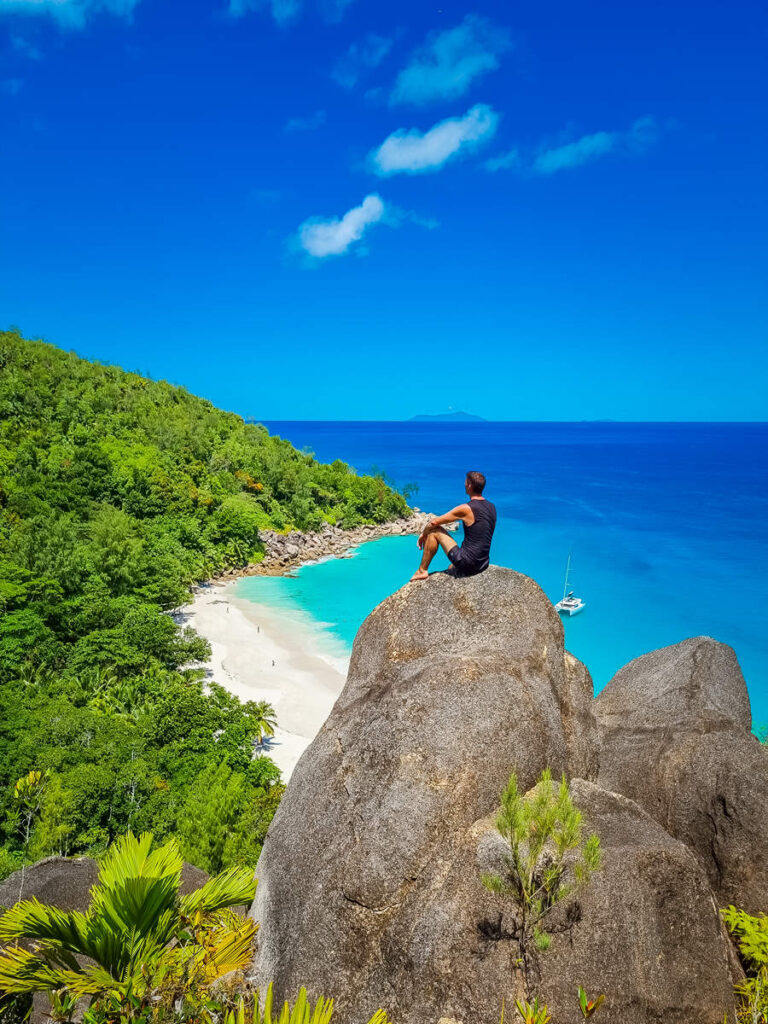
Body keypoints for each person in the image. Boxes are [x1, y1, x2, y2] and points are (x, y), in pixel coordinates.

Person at [410, 471, 497, 581]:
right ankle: (459, 566)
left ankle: (422, 570)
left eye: (465, 482)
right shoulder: (492, 507)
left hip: (467, 563)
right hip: (482, 563)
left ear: (469, 485)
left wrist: (423, 534)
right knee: (451, 567)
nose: (464, 484)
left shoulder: (466, 508)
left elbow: (434, 522)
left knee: (434, 530)